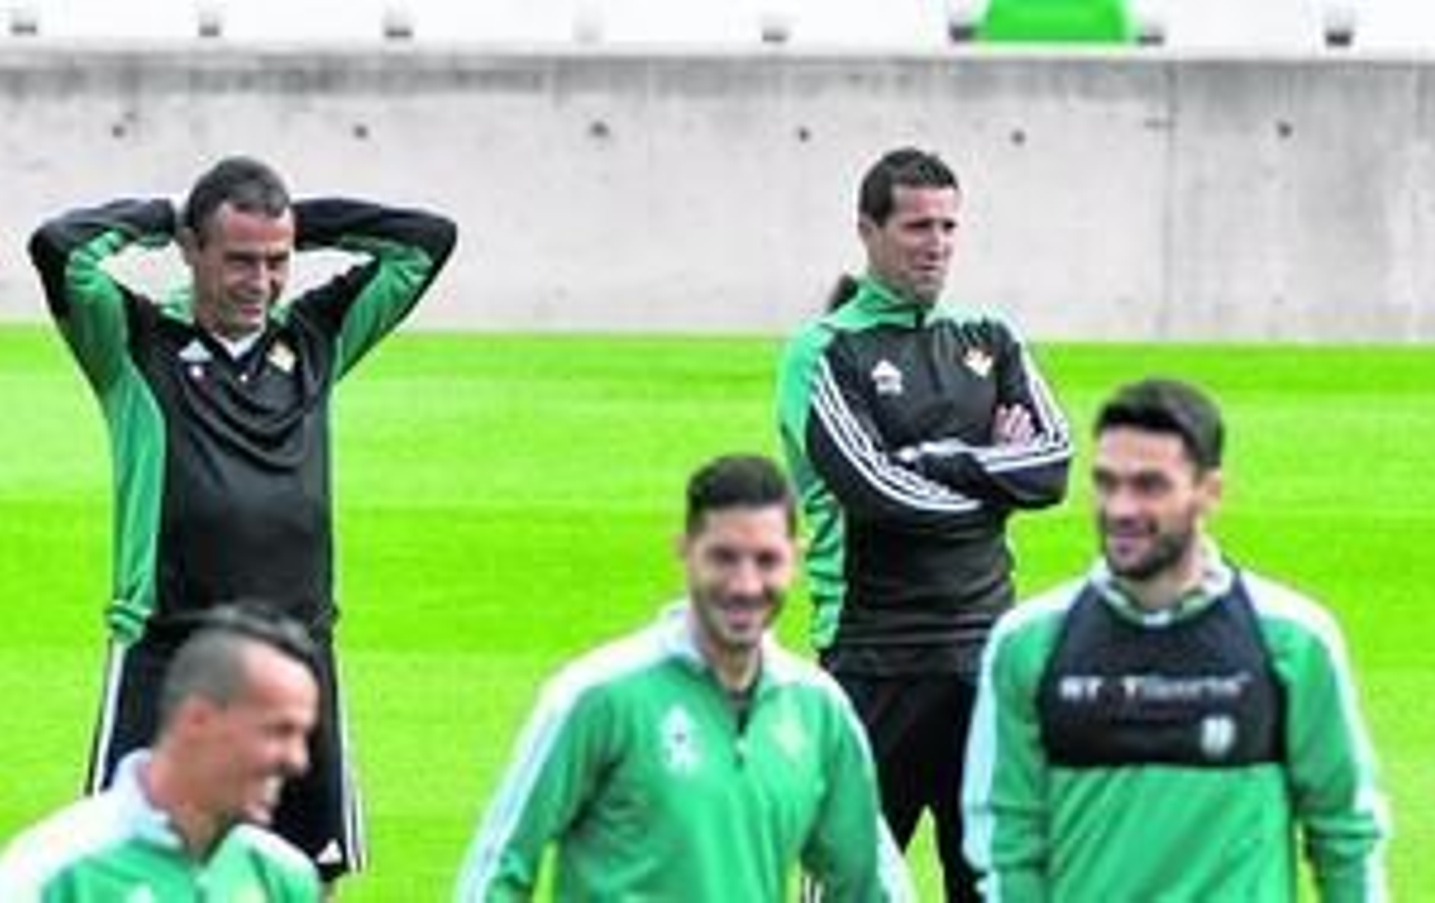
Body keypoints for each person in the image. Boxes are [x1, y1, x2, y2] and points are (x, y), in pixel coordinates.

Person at [27, 155, 457, 886]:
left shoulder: (318, 339)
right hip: (167, 643)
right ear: (194, 251)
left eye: (276, 262)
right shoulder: (132, 342)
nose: (260, 283)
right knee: (120, 862)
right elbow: (60, 247)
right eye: (238, 261)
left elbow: (427, 240)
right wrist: (163, 217)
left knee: (305, 874)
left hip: (298, 649)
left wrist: (297, 223)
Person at [776, 146, 1072, 902]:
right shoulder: (824, 352)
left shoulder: (990, 339)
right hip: (877, 657)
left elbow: (1056, 465)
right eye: (915, 226)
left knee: (995, 880)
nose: (935, 243)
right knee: (846, 882)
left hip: (985, 650)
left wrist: (939, 459)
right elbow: (875, 491)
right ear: (867, 231)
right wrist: (993, 473)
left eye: (947, 225)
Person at [962, 378, 1390, 900]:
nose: (1120, 508)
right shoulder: (1027, 644)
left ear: (1209, 492)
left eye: (1149, 485)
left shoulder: (1293, 640)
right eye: (1106, 482)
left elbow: (1344, 832)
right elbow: (1006, 841)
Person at [456, 454, 910, 902]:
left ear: (796, 559)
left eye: (766, 560)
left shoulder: (818, 711)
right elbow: (498, 867)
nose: (745, 585)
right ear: (685, 551)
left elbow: (871, 883)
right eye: (724, 558)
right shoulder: (599, 697)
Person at [0, 605, 322, 900]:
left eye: (304, 736)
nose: (298, 761)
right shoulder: (52, 875)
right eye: (278, 731)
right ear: (199, 720)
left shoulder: (283, 876)